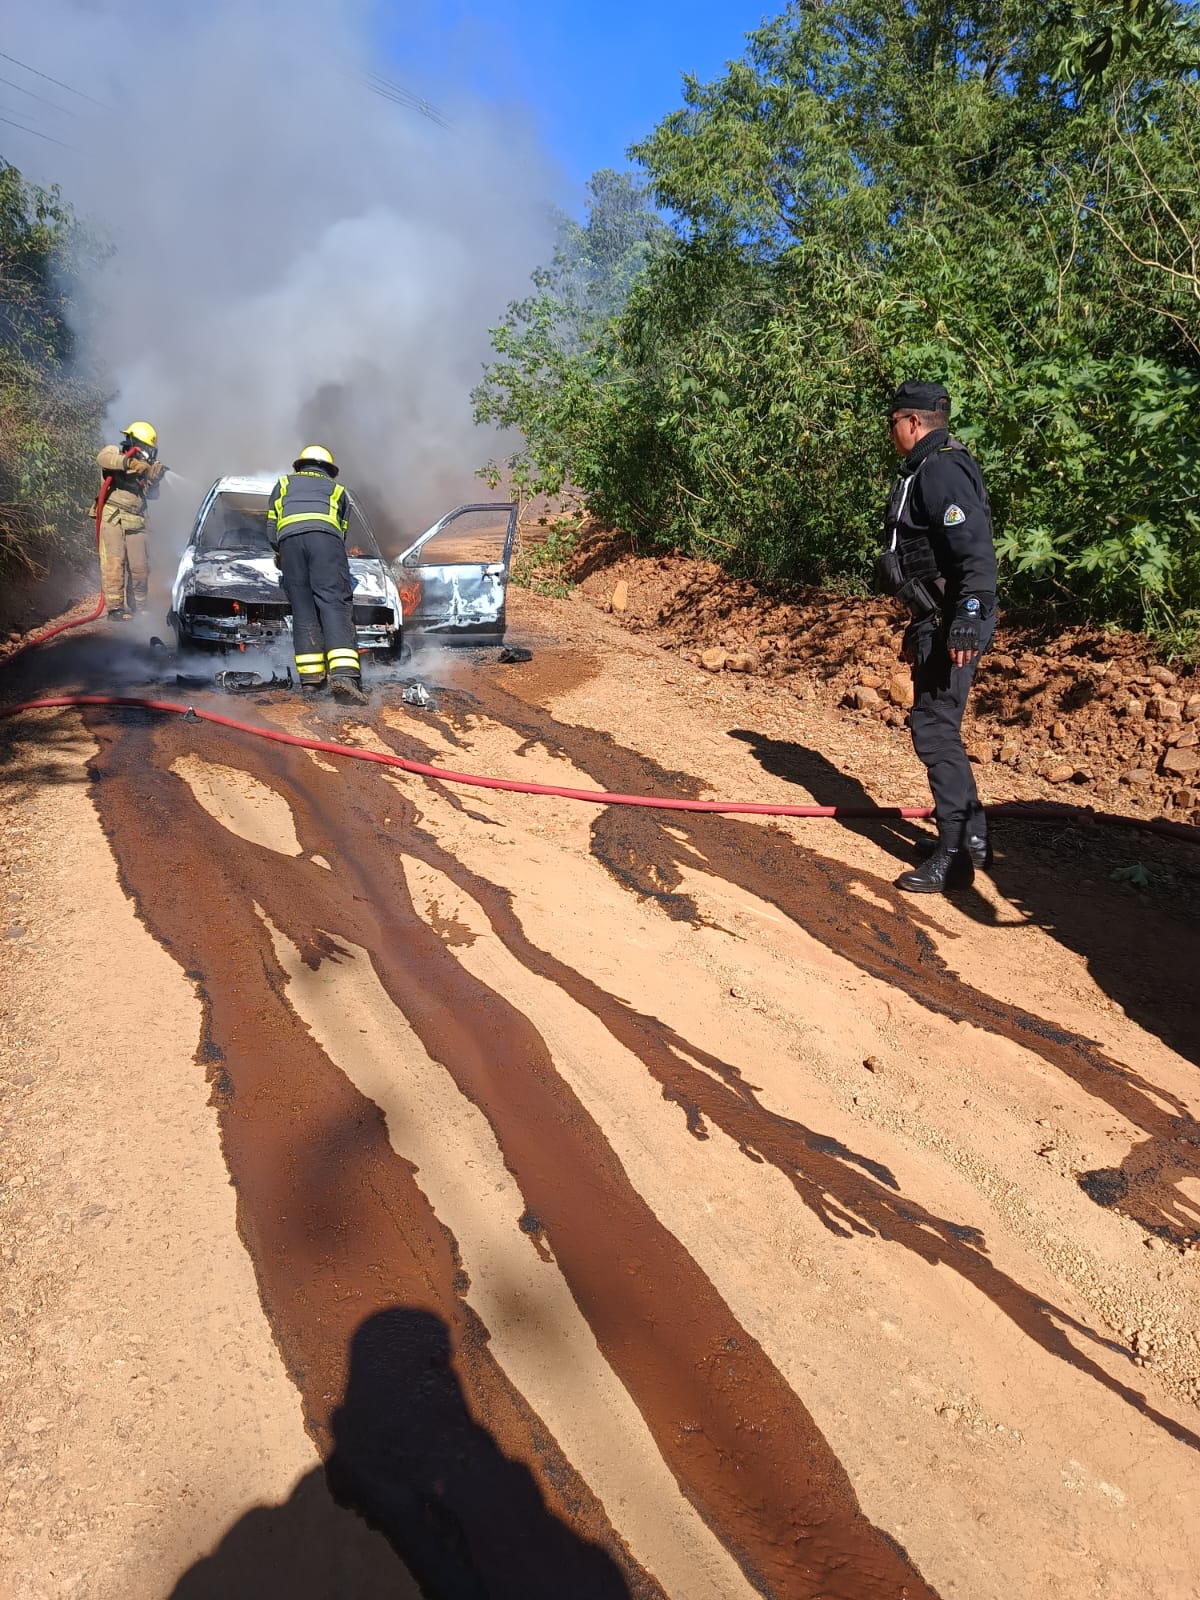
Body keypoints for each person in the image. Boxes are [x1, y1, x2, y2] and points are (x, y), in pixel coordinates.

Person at [874, 380, 998, 893]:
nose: (891, 435)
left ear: (911, 422)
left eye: (892, 425)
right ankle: (972, 838)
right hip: (938, 617)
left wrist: (967, 614)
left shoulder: (941, 468)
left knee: (934, 727)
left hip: (954, 620)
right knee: (939, 724)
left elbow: (974, 550)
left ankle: (955, 856)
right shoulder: (928, 466)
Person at [266, 445, 367, 703]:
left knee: (303, 609)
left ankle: (311, 682)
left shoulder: (283, 483)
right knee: (333, 604)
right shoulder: (338, 490)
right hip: (325, 543)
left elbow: (271, 525)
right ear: (328, 470)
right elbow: (341, 532)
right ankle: (344, 676)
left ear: (301, 465)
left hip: (289, 544)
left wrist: (281, 551)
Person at [95, 420, 163, 620]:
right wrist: (131, 463)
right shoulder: (114, 452)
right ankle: (115, 609)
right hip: (113, 518)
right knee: (114, 563)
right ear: (135, 442)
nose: (147, 452)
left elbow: (152, 495)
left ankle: (139, 606)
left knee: (140, 567)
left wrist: (154, 479)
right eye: (145, 447)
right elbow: (103, 459)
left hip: (137, 520)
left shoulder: (146, 467)